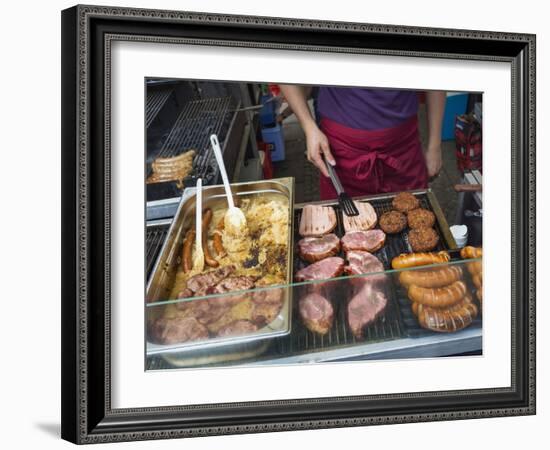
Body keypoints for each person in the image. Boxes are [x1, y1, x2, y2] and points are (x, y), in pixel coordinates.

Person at [279, 85, 446, 200]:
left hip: (403, 149)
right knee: (344, 232)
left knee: (416, 223)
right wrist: (309, 126)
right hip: (341, 152)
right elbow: (281, 59)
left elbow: (437, 67)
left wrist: (435, 146)